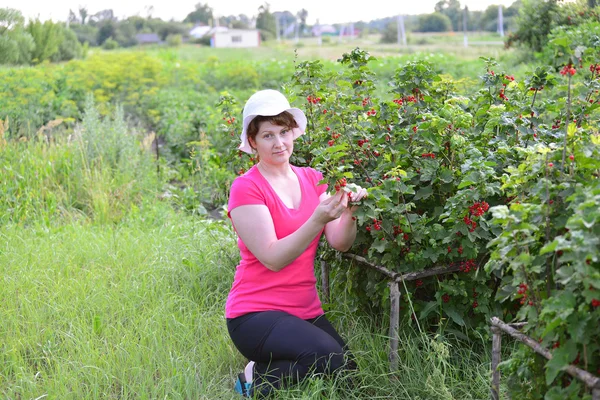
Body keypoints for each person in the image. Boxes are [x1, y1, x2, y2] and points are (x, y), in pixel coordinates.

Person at [226, 89, 368, 398]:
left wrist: (352, 211)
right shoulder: (246, 188)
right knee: (327, 357)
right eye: (267, 135)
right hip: (255, 313)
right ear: (252, 142)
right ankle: (256, 382)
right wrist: (316, 218)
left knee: (348, 375)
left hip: (304, 310)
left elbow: (340, 242)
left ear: (294, 132)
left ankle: (265, 368)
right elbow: (273, 258)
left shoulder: (312, 178)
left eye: (284, 131)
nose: (279, 143)